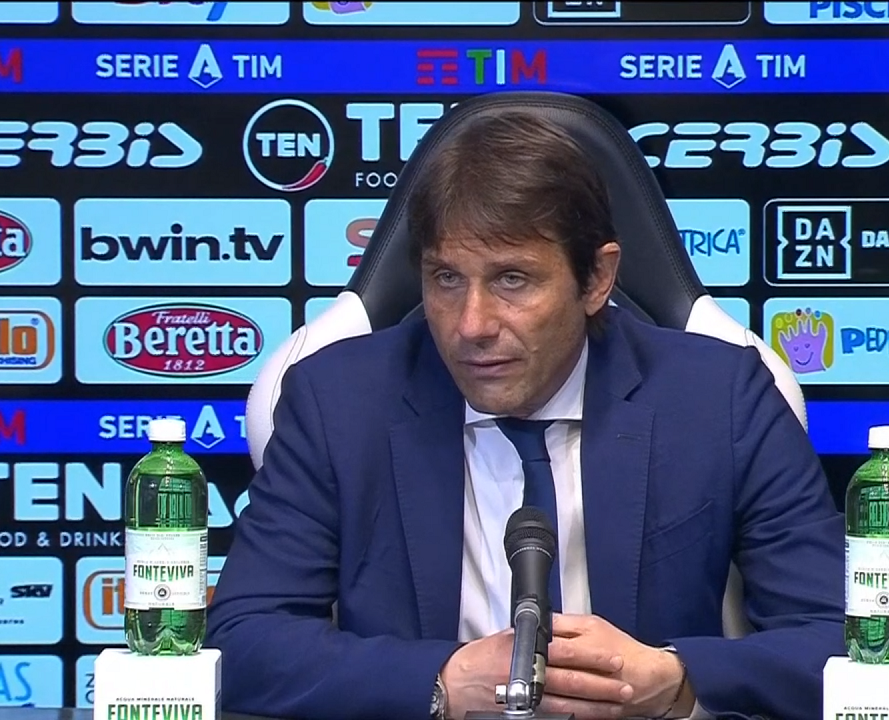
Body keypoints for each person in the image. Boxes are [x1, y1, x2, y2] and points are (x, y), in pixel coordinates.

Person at [207, 109, 845, 720]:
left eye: (512, 279)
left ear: (596, 279)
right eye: (446, 279)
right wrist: (440, 681)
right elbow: (240, 640)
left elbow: (843, 639)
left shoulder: (719, 398)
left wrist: (676, 680)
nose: (472, 325)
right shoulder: (338, 402)